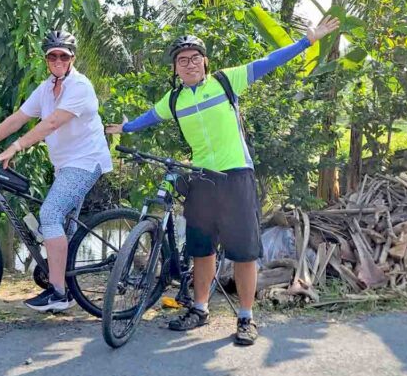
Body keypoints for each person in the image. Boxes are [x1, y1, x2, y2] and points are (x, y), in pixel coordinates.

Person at [105, 17, 340, 346]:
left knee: (243, 252)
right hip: (201, 180)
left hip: (235, 176)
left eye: (195, 58)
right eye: (182, 60)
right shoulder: (174, 100)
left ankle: (246, 317)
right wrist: (125, 129)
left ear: (205, 62)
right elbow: (149, 117)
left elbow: (268, 62)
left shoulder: (225, 81)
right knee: (201, 251)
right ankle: (200, 309)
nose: (189, 64)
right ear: (175, 68)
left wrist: (306, 42)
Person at [0, 30, 113, 312]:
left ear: (72, 58)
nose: (57, 60)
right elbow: (17, 119)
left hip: (86, 161)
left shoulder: (80, 86)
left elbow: (51, 123)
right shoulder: (45, 88)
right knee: (63, 225)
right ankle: (62, 283)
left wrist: (14, 148)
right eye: (52, 55)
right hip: (64, 164)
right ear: (46, 59)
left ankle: (58, 294)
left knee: (50, 214)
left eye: (63, 55)